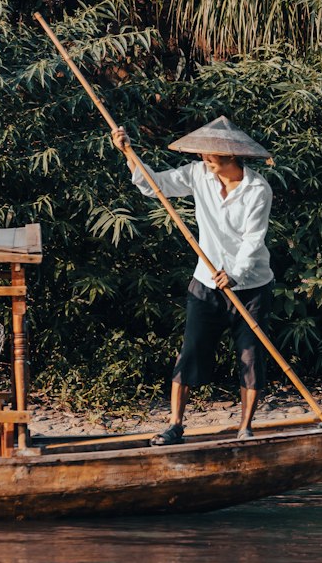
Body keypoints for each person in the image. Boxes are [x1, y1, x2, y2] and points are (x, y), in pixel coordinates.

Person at [111, 115, 274, 445]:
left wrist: (236, 274)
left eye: (209, 156)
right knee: (191, 351)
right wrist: (128, 152)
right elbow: (154, 185)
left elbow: (253, 239)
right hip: (206, 282)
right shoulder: (199, 175)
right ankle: (175, 424)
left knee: (249, 356)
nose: (203, 160)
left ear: (228, 158)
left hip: (251, 286)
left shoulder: (258, 189)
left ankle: (245, 427)